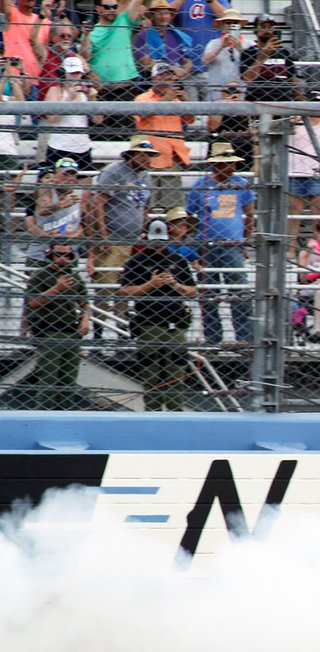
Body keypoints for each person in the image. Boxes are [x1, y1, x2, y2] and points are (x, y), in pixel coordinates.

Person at [118, 218, 197, 411]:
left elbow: (193, 290)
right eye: (154, 241)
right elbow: (123, 291)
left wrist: (175, 285)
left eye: (162, 241)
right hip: (148, 323)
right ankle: (151, 411)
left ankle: (175, 412)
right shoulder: (136, 261)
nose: (158, 245)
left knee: (176, 370)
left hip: (175, 324)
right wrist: (150, 285)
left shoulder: (178, 260)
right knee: (150, 373)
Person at [186, 142, 255, 346]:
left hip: (232, 244)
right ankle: (212, 338)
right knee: (209, 293)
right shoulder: (200, 185)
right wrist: (194, 248)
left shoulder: (241, 183)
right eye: (226, 164)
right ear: (215, 165)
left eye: (232, 164)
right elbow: (189, 216)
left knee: (239, 291)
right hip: (206, 246)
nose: (231, 168)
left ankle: (243, 337)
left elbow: (250, 214)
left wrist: (244, 241)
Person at [86, 137, 157, 333]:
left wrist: (143, 231)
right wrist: (104, 235)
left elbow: (145, 208)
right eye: (142, 154)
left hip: (133, 242)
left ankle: (122, 333)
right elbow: (97, 204)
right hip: (113, 239)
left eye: (149, 155)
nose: (146, 159)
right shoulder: (114, 171)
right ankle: (98, 334)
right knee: (105, 288)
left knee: (125, 290)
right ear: (131, 155)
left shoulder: (146, 177)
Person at [25, 244, 90, 410]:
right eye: (59, 255)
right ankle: (43, 415)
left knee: (68, 380)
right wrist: (56, 289)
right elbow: (32, 303)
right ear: (50, 255)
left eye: (68, 256)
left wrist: (85, 320)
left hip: (71, 332)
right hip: (49, 332)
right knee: (48, 379)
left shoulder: (74, 276)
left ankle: (65, 414)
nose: (64, 259)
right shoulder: (40, 276)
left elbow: (84, 302)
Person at [133, 63, 194, 209]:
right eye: (163, 75)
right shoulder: (142, 98)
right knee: (146, 206)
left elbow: (190, 119)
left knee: (172, 208)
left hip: (171, 160)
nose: (168, 79)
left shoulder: (177, 99)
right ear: (154, 79)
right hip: (148, 160)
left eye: (170, 75)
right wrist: (166, 99)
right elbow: (142, 115)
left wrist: (186, 103)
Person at [287, 97, 320, 258]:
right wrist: (292, 120)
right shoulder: (295, 120)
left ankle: (317, 249)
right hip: (295, 171)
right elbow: (283, 134)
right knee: (294, 213)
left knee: (318, 214)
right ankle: (291, 248)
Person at [41, 55, 101, 172]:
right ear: (63, 73)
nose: (75, 76)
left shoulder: (85, 92)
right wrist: (69, 98)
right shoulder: (56, 90)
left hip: (82, 147)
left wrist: (93, 99)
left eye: (78, 73)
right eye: (72, 73)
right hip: (59, 146)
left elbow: (98, 120)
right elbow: (52, 118)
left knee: (86, 184)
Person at [83, 0, 147, 103]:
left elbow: (137, 1)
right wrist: (86, 35)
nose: (112, 10)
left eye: (114, 6)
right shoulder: (90, 31)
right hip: (99, 92)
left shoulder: (124, 20)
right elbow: (85, 57)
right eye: (107, 7)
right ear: (98, 8)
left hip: (125, 90)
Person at [240, 14, 300, 102]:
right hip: (258, 101)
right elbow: (247, 79)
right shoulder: (249, 52)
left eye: (270, 27)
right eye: (263, 27)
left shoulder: (283, 52)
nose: (267, 30)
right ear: (255, 30)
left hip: (283, 101)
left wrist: (300, 99)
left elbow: (293, 79)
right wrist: (263, 55)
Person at [134, 0, 197, 80]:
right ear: (152, 16)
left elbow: (187, 60)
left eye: (166, 13)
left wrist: (183, 72)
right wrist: (171, 70)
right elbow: (146, 62)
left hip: (176, 80)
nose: (164, 17)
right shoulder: (142, 36)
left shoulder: (178, 35)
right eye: (160, 13)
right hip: (152, 81)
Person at [200, 8, 247, 99]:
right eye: (228, 22)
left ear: (240, 25)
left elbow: (253, 62)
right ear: (222, 25)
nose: (231, 26)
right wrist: (222, 46)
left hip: (241, 92)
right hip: (217, 91)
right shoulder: (214, 43)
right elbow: (204, 61)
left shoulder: (249, 43)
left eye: (235, 23)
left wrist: (240, 48)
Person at [1, 0, 50, 85]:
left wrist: (61, 13)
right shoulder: (12, 14)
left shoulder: (44, 21)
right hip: (11, 80)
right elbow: (7, 9)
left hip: (34, 82)